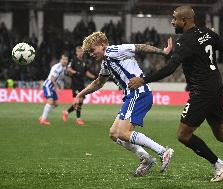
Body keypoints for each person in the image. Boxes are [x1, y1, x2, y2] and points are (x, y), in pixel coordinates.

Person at [128, 5, 223, 182]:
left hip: (202, 91)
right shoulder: (208, 33)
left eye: (175, 18)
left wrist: (143, 80)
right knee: (221, 133)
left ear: (185, 20)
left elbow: (169, 69)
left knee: (183, 135)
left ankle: (219, 164)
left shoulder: (184, 41)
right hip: (216, 87)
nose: (172, 21)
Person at [73, 32, 174, 177]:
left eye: (93, 50)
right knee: (115, 134)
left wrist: (162, 52)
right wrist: (80, 94)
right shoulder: (106, 62)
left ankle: (163, 151)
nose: (91, 54)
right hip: (132, 96)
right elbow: (98, 83)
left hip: (138, 93)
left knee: (123, 132)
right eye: (89, 52)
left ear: (103, 45)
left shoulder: (115, 50)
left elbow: (140, 47)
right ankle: (146, 159)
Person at [62, 46, 96, 125]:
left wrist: (94, 77)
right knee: (78, 100)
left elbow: (86, 72)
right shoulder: (74, 60)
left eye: (81, 51)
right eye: (78, 51)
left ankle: (66, 112)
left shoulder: (84, 61)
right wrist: (76, 73)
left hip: (81, 84)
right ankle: (78, 119)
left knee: (80, 102)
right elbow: (69, 69)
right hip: (75, 83)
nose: (80, 53)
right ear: (76, 52)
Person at [39, 53, 69, 125]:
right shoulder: (57, 67)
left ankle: (43, 116)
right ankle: (43, 119)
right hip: (48, 86)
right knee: (50, 101)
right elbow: (52, 79)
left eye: (66, 59)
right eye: (63, 59)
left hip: (52, 87)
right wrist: (57, 87)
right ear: (60, 60)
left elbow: (58, 78)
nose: (64, 61)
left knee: (56, 104)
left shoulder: (63, 67)